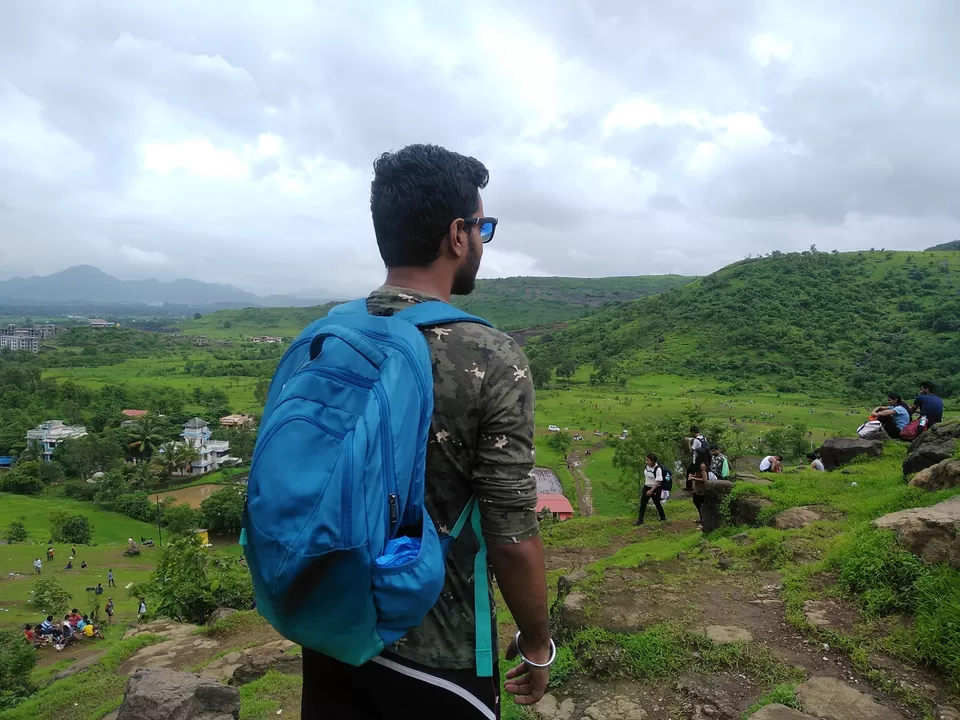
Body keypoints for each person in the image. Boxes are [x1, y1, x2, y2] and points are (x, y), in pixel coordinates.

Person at [295, 144, 551, 718]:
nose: (483, 241)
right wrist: (536, 644)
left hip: (332, 629)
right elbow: (511, 535)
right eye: (482, 226)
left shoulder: (329, 337)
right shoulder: (489, 356)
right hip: (439, 656)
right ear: (457, 236)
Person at [687, 451, 716, 530]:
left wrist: (693, 478)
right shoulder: (699, 465)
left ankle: (704, 523)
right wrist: (693, 475)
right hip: (698, 489)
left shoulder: (702, 466)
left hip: (702, 489)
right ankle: (702, 519)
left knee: (701, 505)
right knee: (697, 502)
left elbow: (705, 479)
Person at [635, 453, 667, 525]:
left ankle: (663, 517)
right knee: (643, 503)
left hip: (655, 488)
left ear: (653, 461)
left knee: (657, 503)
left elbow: (658, 481)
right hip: (646, 486)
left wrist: (651, 490)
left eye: (648, 461)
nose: (646, 462)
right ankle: (640, 520)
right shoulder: (647, 467)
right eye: (646, 460)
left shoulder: (658, 469)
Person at [685, 427, 708, 491]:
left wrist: (689, 442)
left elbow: (691, 451)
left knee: (691, 472)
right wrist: (691, 439)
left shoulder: (696, 441)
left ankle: (691, 487)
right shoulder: (704, 438)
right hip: (704, 460)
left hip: (697, 460)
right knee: (698, 473)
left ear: (692, 432)